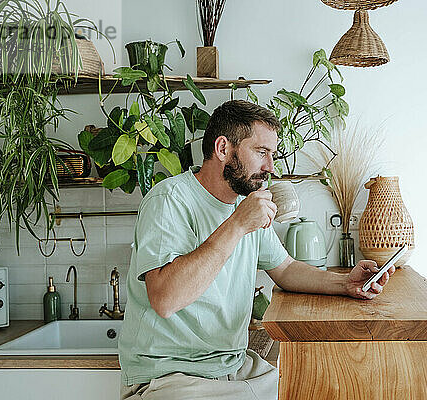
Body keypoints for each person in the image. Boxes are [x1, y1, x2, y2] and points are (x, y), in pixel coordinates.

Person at [118, 100, 395, 400]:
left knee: (322, 387)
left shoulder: (244, 204)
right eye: (261, 152)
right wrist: (236, 225)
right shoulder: (170, 200)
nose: (270, 167)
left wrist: (346, 283)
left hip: (235, 368)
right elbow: (165, 299)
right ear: (223, 149)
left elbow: (285, 268)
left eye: (271, 155)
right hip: (172, 376)